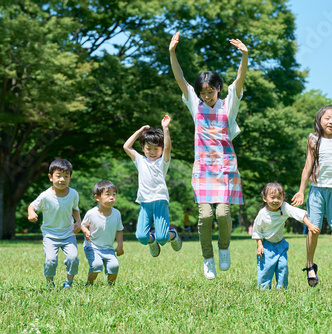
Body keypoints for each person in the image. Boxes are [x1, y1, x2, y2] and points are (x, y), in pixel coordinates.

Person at [169, 32, 248, 279]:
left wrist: (244, 56)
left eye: (210, 91)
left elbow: (240, 78)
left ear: (218, 88)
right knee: (204, 216)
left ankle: (224, 249)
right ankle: (207, 258)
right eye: (202, 92)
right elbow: (180, 78)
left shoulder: (229, 104)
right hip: (203, 168)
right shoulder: (195, 104)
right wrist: (172, 52)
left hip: (225, 167)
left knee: (223, 213)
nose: (206, 96)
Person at [291, 105, 332, 290]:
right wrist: (301, 191)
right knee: (314, 229)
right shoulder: (314, 139)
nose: (331, 122)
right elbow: (307, 166)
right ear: (320, 120)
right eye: (327, 118)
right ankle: (310, 265)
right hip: (317, 190)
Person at [123, 115, 182, 257]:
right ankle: (151, 242)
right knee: (142, 237)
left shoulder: (163, 162)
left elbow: (168, 146)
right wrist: (139, 131)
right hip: (145, 202)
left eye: (156, 149)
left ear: (161, 150)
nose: (152, 152)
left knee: (163, 238)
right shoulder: (140, 160)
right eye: (148, 148)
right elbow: (126, 146)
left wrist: (165, 128)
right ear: (143, 148)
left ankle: (172, 234)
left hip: (160, 200)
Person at [252, 183, 319, 290]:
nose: (276, 200)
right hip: (266, 246)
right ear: (265, 199)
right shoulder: (262, 214)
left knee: (282, 267)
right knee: (266, 269)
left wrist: (310, 225)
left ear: (283, 198)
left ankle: (282, 289)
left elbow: (299, 214)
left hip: (280, 244)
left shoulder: (284, 207)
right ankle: (264, 290)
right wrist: (259, 245)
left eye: (279, 197)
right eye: (272, 197)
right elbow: (257, 231)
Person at [28, 159, 81, 288]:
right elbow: (32, 206)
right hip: (50, 235)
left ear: (70, 178)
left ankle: (69, 282)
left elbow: (75, 208)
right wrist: (31, 213)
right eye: (58, 176)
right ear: (51, 177)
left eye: (66, 176)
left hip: (68, 233)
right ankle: (49, 283)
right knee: (50, 260)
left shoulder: (73, 193)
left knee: (73, 258)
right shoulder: (45, 196)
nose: (62, 179)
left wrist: (78, 222)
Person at [81, 180, 124, 286]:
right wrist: (86, 231)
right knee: (96, 265)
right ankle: (89, 284)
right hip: (93, 247)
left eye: (114, 194)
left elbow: (119, 230)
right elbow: (83, 225)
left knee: (114, 266)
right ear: (97, 197)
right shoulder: (91, 213)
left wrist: (120, 245)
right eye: (108, 194)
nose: (112, 197)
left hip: (108, 248)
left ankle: (111, 286)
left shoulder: (116, 213)